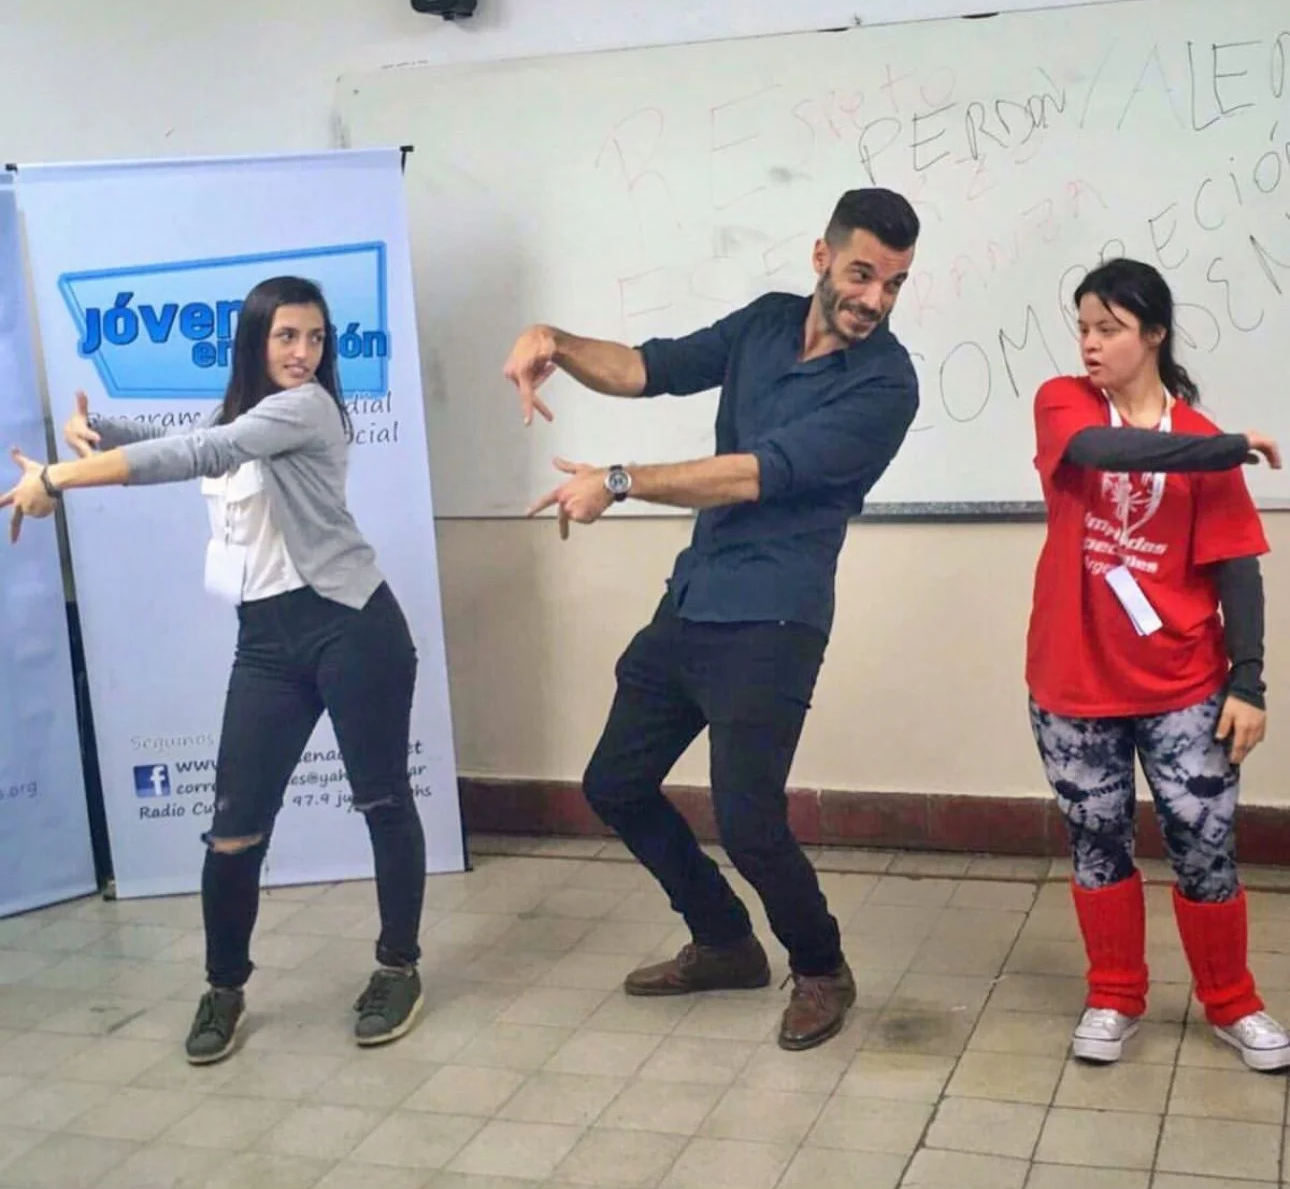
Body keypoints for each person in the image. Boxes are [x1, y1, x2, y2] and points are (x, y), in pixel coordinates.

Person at [501, 189, 921, 1051]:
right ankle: (726, 940)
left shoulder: (887, 383)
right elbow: (647, 367)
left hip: (776, 619)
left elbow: (754, 474)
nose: (874, 298)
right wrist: (555, 341)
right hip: (695, 598)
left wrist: (619, 480)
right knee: (614, 783)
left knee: (749, 818)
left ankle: (820, 965)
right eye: (862, 273)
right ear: (821, 256)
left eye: (894, 283)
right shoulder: (766, 322)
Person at [2, 276, 426, 1065]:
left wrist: (58, 478)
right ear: (256, 342)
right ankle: (224, 986)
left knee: (382, 800)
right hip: (267, 642)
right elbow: (198, 436)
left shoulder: (307, 409)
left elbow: (204, 448)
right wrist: (92, 431)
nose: (304, 354)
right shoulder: (248, 414)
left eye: (316, 339)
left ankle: (398, 966)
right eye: (287, 337)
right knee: (233, 830)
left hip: (350, 627)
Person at [1026, 256, 1290, 1071]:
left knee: (1206, 846)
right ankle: (1114, 995)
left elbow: (1237, 567)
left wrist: (1249, 681)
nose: (1091, 343)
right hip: (1074, 682)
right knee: (1096, 842)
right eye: (1084, 327)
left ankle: (1232, 1002)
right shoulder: (1064, 401)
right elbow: (1099, 446)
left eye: (1109, 328)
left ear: (1154, 334)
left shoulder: (1203, 440)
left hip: (1185, 685)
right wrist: (1218, 452)